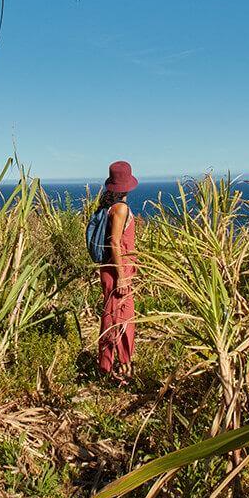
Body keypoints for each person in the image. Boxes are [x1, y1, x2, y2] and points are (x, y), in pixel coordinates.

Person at [97, 160, 138, 384]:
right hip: (117, 273)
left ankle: (113, 368)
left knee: (115, 318)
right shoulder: (121, 208)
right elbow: (114, 242)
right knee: (119, 320)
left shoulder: (109, 207)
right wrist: (122, 276)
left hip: (115, 270)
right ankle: (116, 371)